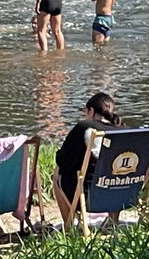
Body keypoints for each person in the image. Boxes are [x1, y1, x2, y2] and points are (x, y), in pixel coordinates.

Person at [53, 93, 122, 227]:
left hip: (89, 197)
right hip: (120, 193)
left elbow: (63, 161)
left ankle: (69, 227)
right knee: (117, 173)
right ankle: (113, 222)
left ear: (91, 111)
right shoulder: (122, 131)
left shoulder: (85, 127)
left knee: (57, 174)